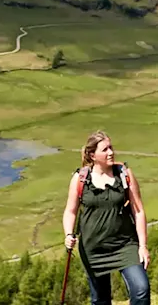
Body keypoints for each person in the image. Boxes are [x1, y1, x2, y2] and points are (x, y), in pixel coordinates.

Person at [62, 130, 150, 305]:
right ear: (92, 155)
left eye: (111, 148)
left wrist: (143, 246)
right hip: (93, 249)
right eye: (105, 149)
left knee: (141, 289)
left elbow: (138, 211)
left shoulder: (123, 174)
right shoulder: (80, 179)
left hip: (125, 244)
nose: (111, 152)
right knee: (100, 300)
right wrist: (68, 234)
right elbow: (70, 211)